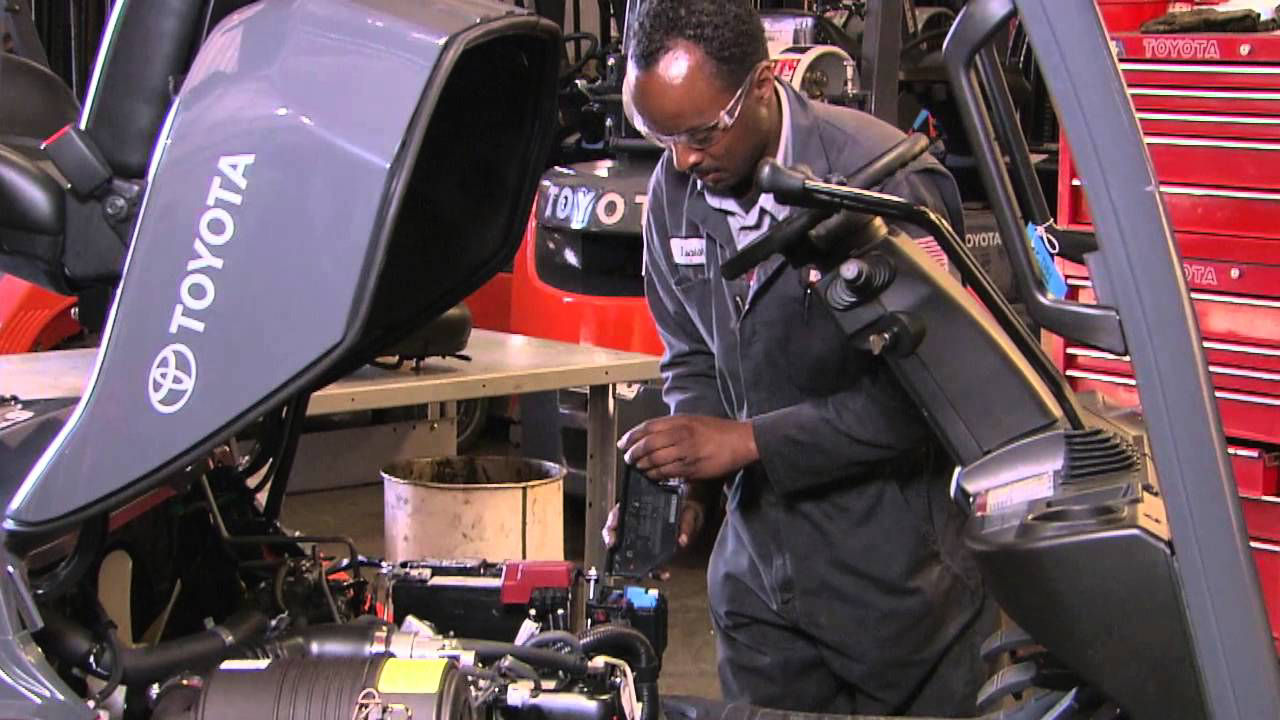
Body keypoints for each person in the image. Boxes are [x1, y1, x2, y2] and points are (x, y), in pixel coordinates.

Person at [610, 0, 992, 715]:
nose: (683, 159)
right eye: (660, 137)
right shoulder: (676, 188)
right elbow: (691, 350)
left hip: (899, 588)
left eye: (699, 133)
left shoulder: (883, 179)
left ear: (761, 86)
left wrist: (749, 441)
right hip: (759, 592)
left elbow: (936, 397)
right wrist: (686, 475)